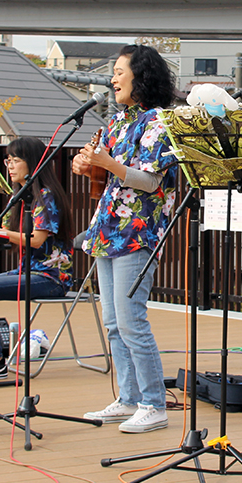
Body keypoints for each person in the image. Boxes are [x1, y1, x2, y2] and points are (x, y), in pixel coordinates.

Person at [72, 44, 177, 434]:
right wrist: (87, 166)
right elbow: (109, 177)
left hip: (138, 231)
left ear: (141, 75)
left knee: (132, 320)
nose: (113, 78)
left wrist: (108, 163)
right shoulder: (117, 123)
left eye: (119, 71)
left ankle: (154, 403)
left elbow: (150, 181)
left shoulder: (159, 122)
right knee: (113, 321)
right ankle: (129, 397)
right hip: (107, 228)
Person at [0, 136, 74, 381]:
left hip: (50, 278)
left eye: (15, 160)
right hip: (27, 272)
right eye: (8, 160)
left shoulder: (47, 196)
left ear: (32, 163)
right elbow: (7, 235)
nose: (9, 166)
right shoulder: (21, 197)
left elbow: (35, 240)